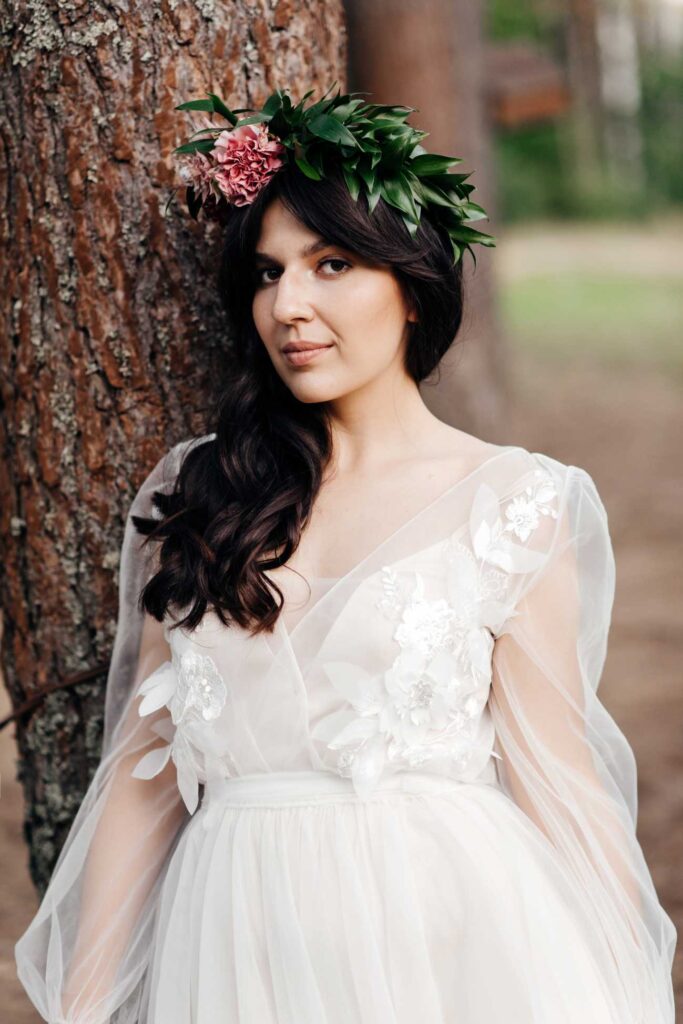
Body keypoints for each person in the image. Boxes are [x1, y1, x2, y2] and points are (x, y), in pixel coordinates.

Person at [15, 86, 676, 1023]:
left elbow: (557, 774)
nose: (288, 305)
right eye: (266, 271)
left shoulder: (511, 502)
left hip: (450, 940)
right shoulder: (202, 491)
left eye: (331, 264)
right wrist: (84, 1003)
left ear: (412, 285)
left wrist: (629, 985)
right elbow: (141, 774)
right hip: (235, 944)